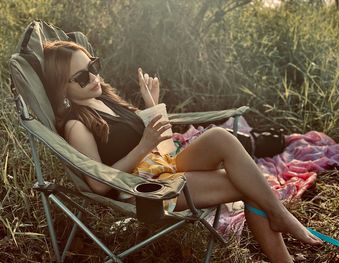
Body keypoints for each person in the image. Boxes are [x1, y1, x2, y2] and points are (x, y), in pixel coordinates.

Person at [43, 40, 322, 263]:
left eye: (94, 66)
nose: (93, 76)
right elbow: (98, 184)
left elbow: (163, 144)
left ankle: (279, 216)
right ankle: (281, 232)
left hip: (162, 166)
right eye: (81, 77)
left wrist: (152, 103)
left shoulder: (103, 100)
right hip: (145, 190)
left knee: (219, 137)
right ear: (62, 88)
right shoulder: (77, 125)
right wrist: (144, 145)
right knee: (249, 185)